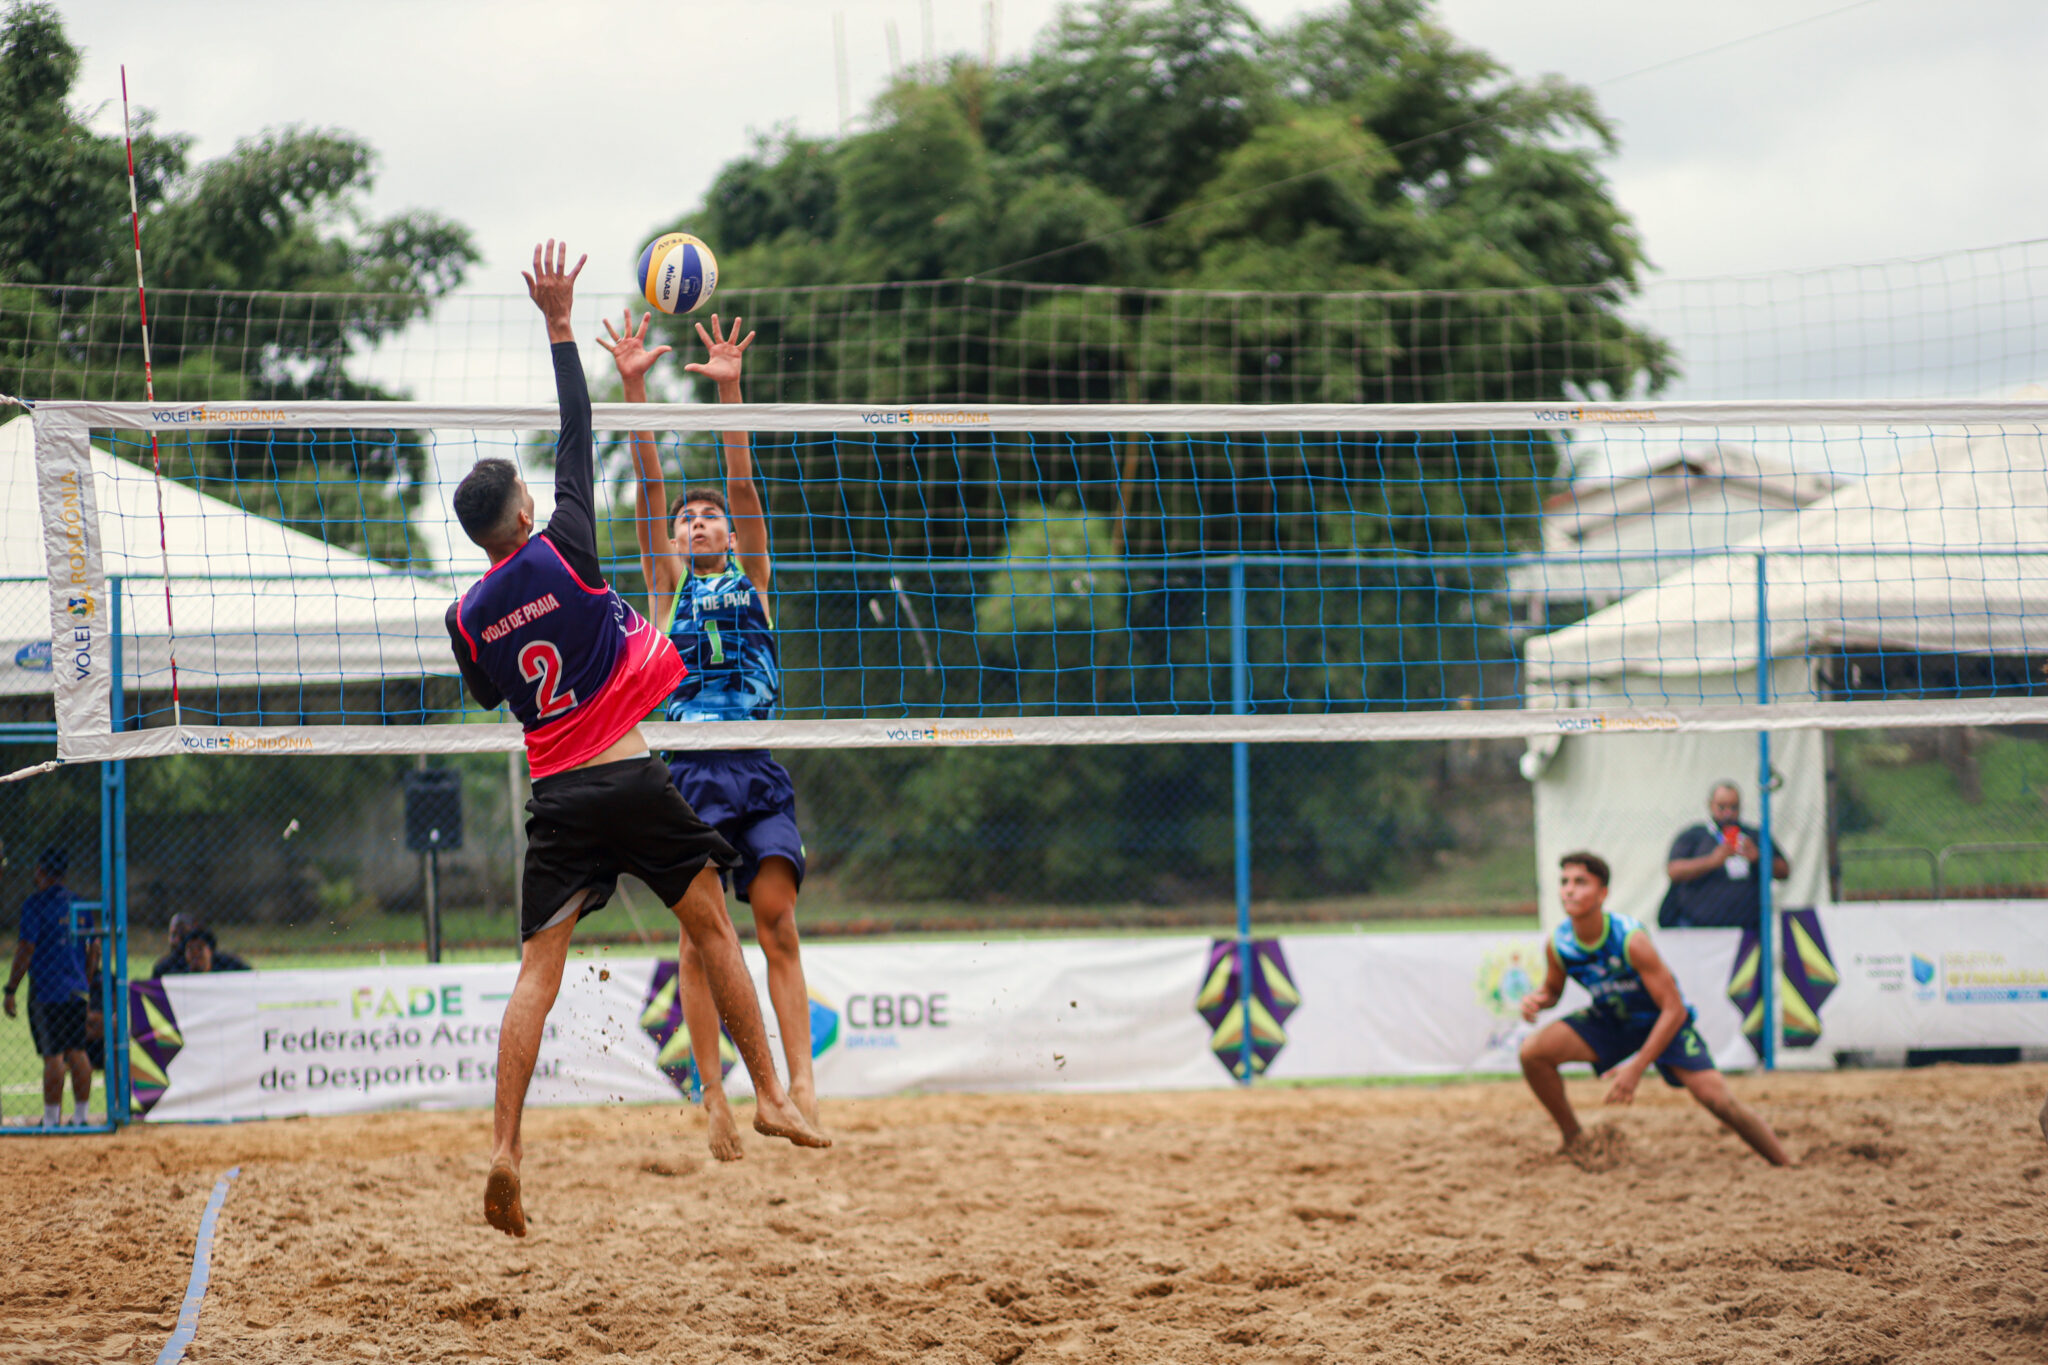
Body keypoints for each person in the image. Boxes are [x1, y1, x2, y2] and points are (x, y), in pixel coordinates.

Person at [446, 241, 826, 1237]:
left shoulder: (467, 614)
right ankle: (768, 1094)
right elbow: (581, 437)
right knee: (711, 926)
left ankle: (505, 1149)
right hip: (637, 770)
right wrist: (562, 326)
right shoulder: (565, 544)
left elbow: (492, 696)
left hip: (558, 795)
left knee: (537, 969)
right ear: (523, 513)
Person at [600, 308, 820, 1161]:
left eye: (708, 517)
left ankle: (799, 1084)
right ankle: (716, 1094)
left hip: (754, 766)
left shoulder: (754, 575)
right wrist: (632, 385)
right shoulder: (666, 588)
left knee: (777, 923)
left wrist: (729, 390)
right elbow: (652, 485)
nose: (696, 521)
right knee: (700, 943)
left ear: (729, 534)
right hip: (688, 771)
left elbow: (746, 483)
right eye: (686, 519)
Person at [1519, 850, 1790, 1166]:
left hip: (1663, 1023)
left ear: (1602, 893)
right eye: (1564, 882)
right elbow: (1553, 990)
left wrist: (1636, 1068)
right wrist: (1539, 999)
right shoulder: (1559, 943)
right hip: (1614, 1018)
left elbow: (1673, 1009)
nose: (1569, 889)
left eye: (1581, 882)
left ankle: (1785, 1164)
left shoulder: (1629, 938)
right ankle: (1573, 1138)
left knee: (1717, 1100)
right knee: (1532, 1052)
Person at [3, 848, 93, 1127]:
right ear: (64, 874)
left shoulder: (35, 905)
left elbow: (26, 947)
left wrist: (11, 988)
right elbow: (94, 950)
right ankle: (81, 1118)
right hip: (76, 989)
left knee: (53, 1054)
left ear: (40, 871)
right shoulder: (78, 904)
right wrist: (85, 980)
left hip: (47, 990)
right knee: (77, 1051)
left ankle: (52, 1120)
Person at [1659, 781, 1789, 928]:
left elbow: (1784, 871)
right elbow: (1674, 870)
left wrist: (1758, 857)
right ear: (1710, 805)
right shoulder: (1694, 835)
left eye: (1734, 807)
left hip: (1746, 931)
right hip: (1697, 930)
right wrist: (1711, 861)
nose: (1728, 813)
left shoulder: (1754, 836)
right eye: (1722, 807)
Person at [160, 926, 251, 975]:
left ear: (210, 952)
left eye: (200, 948)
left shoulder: (230, 968)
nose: (195, 953)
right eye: (190, 949)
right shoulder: (177, 975)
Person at [149, 912, 201, 979]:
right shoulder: (163, 968)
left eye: (182, 934)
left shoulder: (209, 963)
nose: (177, 940)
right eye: (173, 935)